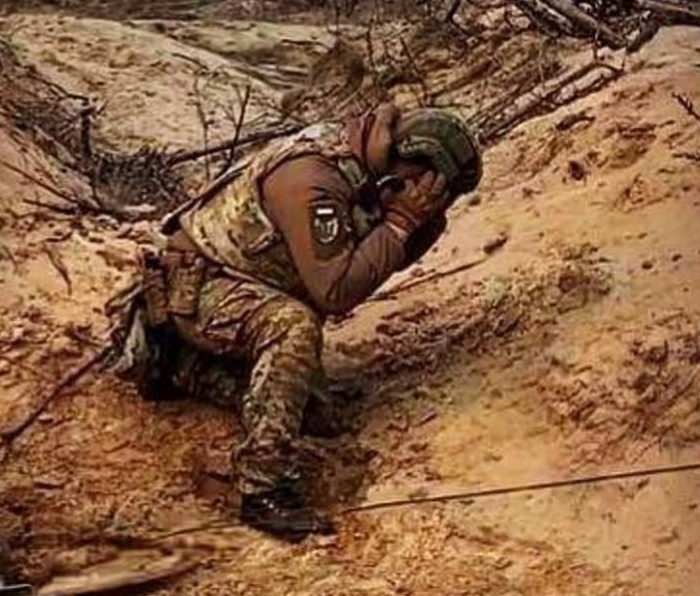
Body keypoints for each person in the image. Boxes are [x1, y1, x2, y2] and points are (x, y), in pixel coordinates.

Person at [119, 104, 483, 539]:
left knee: (314, 414)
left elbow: (376, 262)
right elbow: (336, 293)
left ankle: (181, 366)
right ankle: (262, 488)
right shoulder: (315, 178)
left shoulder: (366, 165)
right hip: (198, 286)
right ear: (412, 165)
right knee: (292, 328)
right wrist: (401, 221)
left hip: (244, 282)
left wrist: (414, 224)